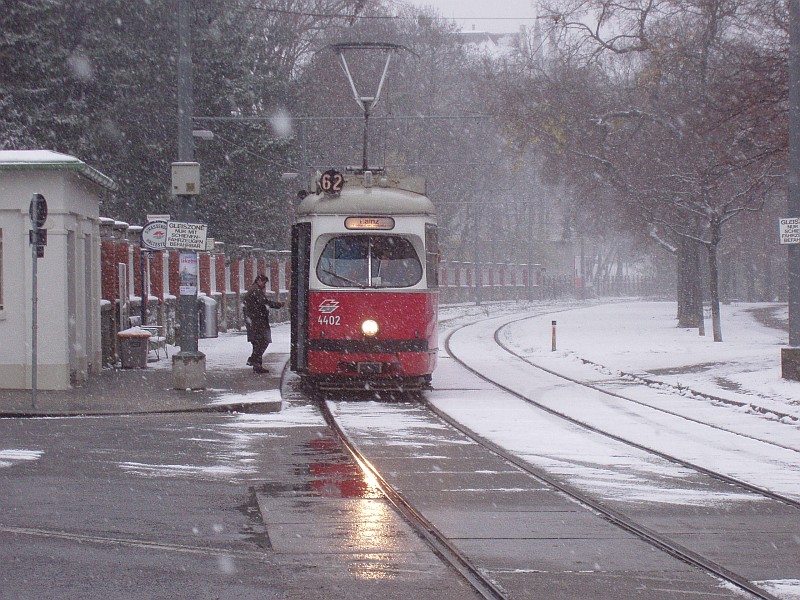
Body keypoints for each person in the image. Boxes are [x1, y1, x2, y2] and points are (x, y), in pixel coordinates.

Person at [243, 274, 284, 374]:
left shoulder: (254, 289)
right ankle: (253, 360)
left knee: (257, 342)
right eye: (264, 283)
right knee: (263, 341)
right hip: (257, 321)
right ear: (259, 281)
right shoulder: (256, 290)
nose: (264, 285)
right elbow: (263, 302)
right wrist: (278, 304)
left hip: (254, 320)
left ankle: (257, 365)